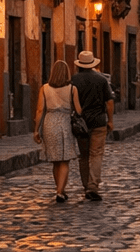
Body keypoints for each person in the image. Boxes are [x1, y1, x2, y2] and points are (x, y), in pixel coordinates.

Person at [33, 59, 82, 202]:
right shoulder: (72, 89)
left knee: (55, 160)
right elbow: (79, 110)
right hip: (65, 123)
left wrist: (36, 130)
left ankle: (60, 189)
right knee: (65, 160)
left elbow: (40, 110)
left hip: (50, 123)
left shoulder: (44, 88)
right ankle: (60, 191)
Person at [69, 51, 113, 200]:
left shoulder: (74, 80)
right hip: (98, 121)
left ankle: (85, 185)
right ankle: (93, 186)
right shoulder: (101, 79)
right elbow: (109, 102)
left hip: (81, 123)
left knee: (84, 156)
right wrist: (110, 120)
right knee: (96, 154)